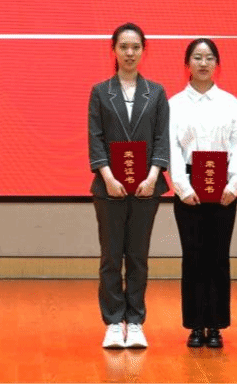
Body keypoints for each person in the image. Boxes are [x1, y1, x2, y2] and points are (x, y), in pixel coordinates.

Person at [88, 22, 171, 349]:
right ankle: (113, 322)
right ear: (113, 50)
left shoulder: (156, 92)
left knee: (137, 256)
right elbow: (95, 138)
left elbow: (161, 137)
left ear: (143, 51)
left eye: (136, 47)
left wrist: (152, 176)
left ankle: (135, 321)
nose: (130, 53)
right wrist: (108, 178)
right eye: (123, 47)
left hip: (147, 188)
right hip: (108, 188)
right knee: (111, 256)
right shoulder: (100, 92)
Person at [169, 38, 237, 349]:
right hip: (188, 187)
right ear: (187, 63)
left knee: (218, 256)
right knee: (192, 257)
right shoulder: (174, 104)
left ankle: (215, 325)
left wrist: (233, 185)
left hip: (223, 188)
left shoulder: (230, 103)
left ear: (217, 64)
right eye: (197, 57)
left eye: (209, 57)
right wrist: (182, 187)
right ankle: (195, 325)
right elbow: (172, 149)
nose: (203, 63)